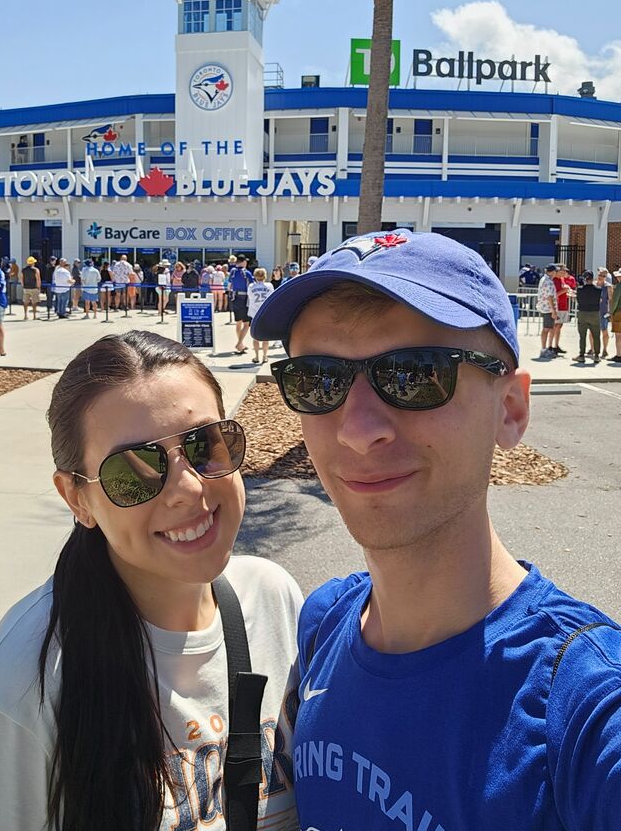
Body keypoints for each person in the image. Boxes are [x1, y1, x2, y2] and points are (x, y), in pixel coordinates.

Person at [250, 229, 621, 830]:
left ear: (512, 409)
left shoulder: (580, 709)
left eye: (415, 374)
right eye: (318, 380)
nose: (357, 429)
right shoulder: (325, 622)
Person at [0, 331, 303, 831]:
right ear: (77, 499)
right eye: (133, 472)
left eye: (204, 445)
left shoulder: (273, 598)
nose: (187, 488)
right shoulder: (25, 684)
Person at [573, 270, 602, 364]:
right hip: (594, 313)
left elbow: (577, 300)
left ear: (584, 279)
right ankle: (597, 355)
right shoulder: (598, 290)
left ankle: (581, 355)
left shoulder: (580, 289)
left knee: (582, 336)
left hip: (583, 313)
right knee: (596, 336)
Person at [246, 267, 274, 364]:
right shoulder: (269, 286)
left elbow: (249, 297)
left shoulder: (251, 286)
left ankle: (256, 356)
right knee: (265, 337)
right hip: (265, 313)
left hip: (254, 313)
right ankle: (265, 356)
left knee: (255, 336)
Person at [228, 254, 254, 354]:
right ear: (243, 262)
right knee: (246, 323)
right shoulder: (246, 273)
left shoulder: (233, 272)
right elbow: (251, 286)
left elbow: (229, 286)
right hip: (244, 299)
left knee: (238, 322)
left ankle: (241, 344)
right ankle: (239, 343)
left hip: (235, 298)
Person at [536, 264, 559, 359]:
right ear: (551, 271)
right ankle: (544, 350)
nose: (556, 273)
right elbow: (549, 297)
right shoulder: (548, 281)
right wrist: (553, 311)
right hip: (547, 309)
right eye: (555, 271)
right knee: (546, 329)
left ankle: (545, 349)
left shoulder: (544, 279)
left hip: (545, 307)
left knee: (548, 328)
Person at [597, 266, 613, 358]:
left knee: (604, 331)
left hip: (603, 312)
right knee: (592, 332)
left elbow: (610, 300)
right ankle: (593, 349)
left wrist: (610, 312)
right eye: (600, 274)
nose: (601, 277)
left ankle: (605, 349)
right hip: (594, 311)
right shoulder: (594, 284)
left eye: (603, 275)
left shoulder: (608, 287)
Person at [610, 269, 621, 363]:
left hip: (619, 312)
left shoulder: (619, 287)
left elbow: (615, 301)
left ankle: (619, 355)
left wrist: (611, 312)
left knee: (618, 335)